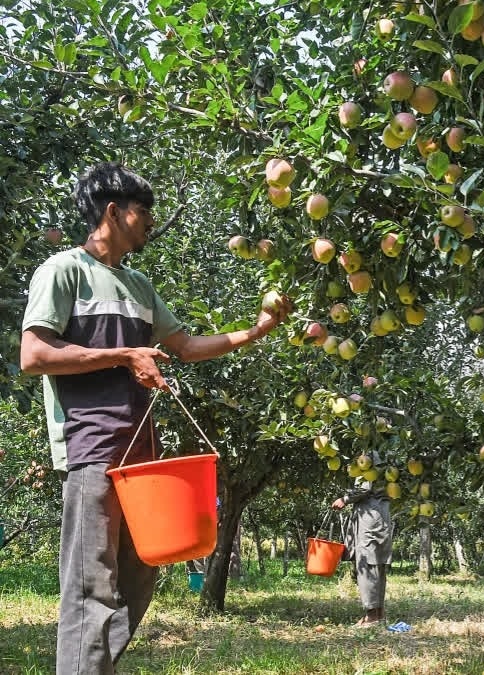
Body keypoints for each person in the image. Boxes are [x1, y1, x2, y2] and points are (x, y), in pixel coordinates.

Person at [20, 162, 293, 674]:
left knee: (140, 576)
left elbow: (184, 346)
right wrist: (125, 355)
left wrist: (256, 331)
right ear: (113, 212)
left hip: (141, 452)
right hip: (91, 445)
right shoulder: (63, 271)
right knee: (91, 587)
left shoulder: (139, 286)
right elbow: (34, 355)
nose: (150, 221)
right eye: (143, 210)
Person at [331, 460, 392, 628]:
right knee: (377, 563)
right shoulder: (386, 456)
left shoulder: (370, 454)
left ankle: (372, 616)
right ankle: (378, 614)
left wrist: (345, 499)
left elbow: (365, 486)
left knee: (367, 562)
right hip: (378, 514)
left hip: (370, 516)